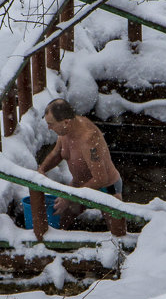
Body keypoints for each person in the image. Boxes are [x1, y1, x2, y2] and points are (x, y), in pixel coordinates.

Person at [36, 99, 126, 235]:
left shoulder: (88, 139)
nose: (49, 128)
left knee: (117, 231)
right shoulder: (65, 131)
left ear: (66, 122)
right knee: (58, 216)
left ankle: (121, 251)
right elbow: (57, 154)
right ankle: (59, 251)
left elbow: (100, 178)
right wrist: (42, 169)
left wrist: (70, 197)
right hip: (79, 184)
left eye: (51, 124)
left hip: (107, 186)